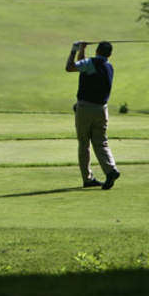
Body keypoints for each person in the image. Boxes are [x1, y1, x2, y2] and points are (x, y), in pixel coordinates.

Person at [65, 41, 121, 190]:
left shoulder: (90, 63)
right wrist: (82, 51)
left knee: (84, 144)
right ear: (109, 54)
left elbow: (70, 67)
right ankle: (111, 169)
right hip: (102, 110)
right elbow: (83, 67)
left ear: (97, 50)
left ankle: (88, 178)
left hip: (85, 108)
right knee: (101, 142)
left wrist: (74, 49)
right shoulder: (109, 67)